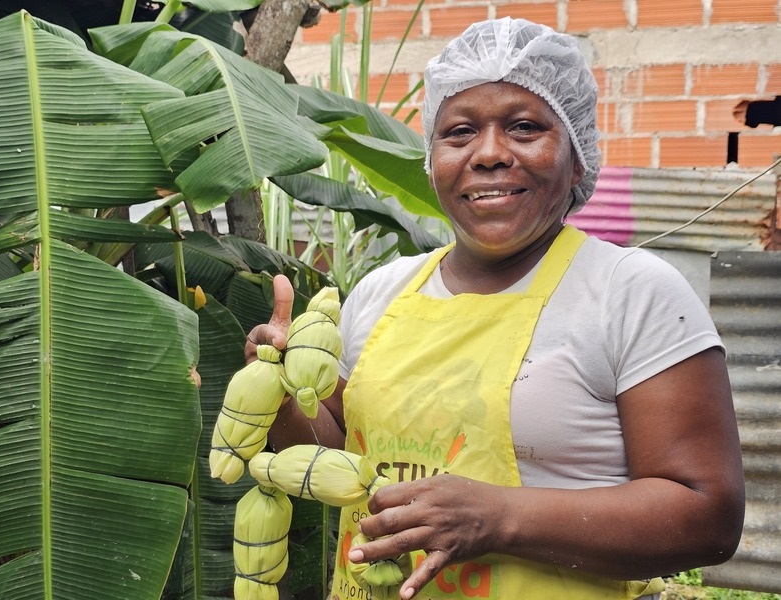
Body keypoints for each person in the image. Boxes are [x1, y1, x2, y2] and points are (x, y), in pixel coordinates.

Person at [247, 17, 745, 600]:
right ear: (432, 160)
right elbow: (341, 460)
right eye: (459, 132)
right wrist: (278, 393)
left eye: (525, 127)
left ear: (577, 155)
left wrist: (502, 516)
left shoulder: (630, 292)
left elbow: (708, 515)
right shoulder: (381, 291)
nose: (488, 153)